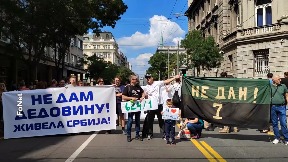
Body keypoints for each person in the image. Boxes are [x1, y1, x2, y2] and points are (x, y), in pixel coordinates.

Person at [142, 74, 180, 140]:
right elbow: (143, 93)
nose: (148, 79)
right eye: (146, 78)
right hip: (151, 106)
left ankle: (164, 134)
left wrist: (174, 77)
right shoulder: (146, 87)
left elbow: (166, 81)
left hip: (159, 105)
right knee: (150, 121)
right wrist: (143, 96)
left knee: (161, 120)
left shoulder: (157, 83)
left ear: (152, 78)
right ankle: (150, 134)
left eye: (149, 78)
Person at [122, 75, 145, 142]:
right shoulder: (127, 87)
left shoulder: (138, 87)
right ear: (131, 80)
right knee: (130, 121)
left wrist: (142, 97)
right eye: (134, 79)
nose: (136, 80)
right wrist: (131, 98)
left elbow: (143, 93)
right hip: (131, 107)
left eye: (136, 79)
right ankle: (128, 135)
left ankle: (137, 135)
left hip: (137, 106)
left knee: (137, 121)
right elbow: (123, 97)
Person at [270, 75, 288, 145]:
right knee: (274, 124)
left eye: (280, 79)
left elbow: (286, 95)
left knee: (283, 123)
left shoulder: (283, 86)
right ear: (274, 80)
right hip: (273, 107)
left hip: (282, 107)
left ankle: (286, 138)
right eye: (278, 79)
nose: (280, 80)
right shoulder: (270, 87)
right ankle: (277, 137)